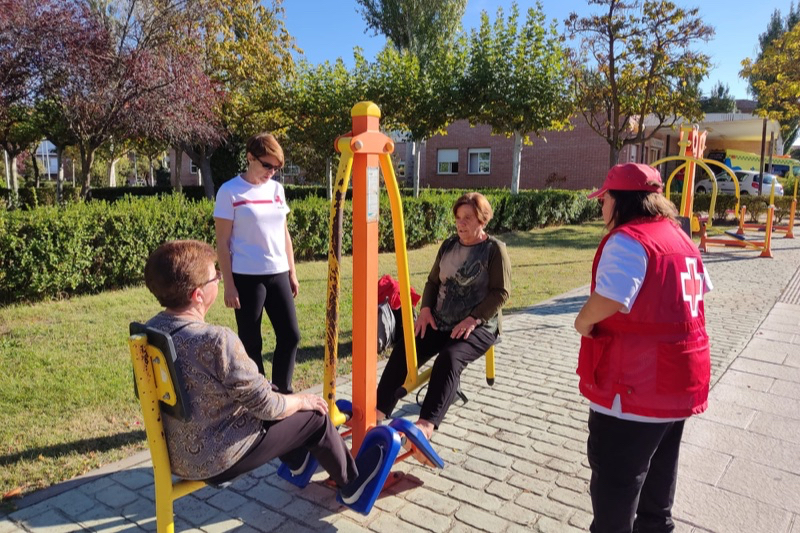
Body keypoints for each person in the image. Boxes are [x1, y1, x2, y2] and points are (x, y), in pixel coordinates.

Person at [142, 239, 381, 504]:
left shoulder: (148, 333)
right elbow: (266, 407)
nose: (220, 279)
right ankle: (352, 485)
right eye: (215, 277)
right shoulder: (216, 340)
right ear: (197, 295)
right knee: (315, 416)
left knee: (273, 390)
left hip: (175, 456)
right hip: (219, 460)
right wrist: (302, 400)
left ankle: (298, 459)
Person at [574, 163, 713, 533]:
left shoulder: (628, 240)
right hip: (676, 383)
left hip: (632, 389)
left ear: (621, 200)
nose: (601, 207)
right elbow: (700, 291)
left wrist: (582, 321)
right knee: (657, 493)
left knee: (615, 490)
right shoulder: (680, 238)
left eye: (604, 199)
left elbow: (612, 296)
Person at [375, 192, 511, 450]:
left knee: (449, 358)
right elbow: (433, 282)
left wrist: (473, 319)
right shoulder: (449, 244)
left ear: (482, 220)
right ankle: (379, 412)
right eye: (458, 218)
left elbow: (501, 293)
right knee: (407, 347)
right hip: (440, 319)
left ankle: (425, 426)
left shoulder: (494, 249)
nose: (461, 223)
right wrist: (425, 309)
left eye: (468, 218)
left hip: (479, 325)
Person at [214, 132, 300, 393]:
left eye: (277, 168)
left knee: (291, 335)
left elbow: (284, 233)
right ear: (250, 157)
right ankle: (259, 395)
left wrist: (292, 272)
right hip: (246, 277)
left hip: (278, 273)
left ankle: (282, 392)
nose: (272, 172)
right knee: (252, 342)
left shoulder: (277, 190)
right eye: (267, 165)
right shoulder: (229, 191)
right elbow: (223, 243)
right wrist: (229, 285)